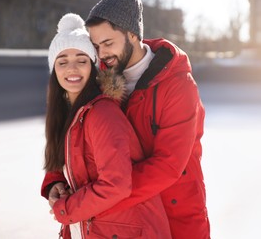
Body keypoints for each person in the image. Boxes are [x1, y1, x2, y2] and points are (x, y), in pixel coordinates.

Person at [84, 0, 210, 239]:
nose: (101, 54)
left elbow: (168, 164)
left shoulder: (177, 84)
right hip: (123, 221)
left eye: (107, 43)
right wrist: (55, 179)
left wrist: (98, 201)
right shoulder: (97, 82)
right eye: (96, 45)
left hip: (177, 216)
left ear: (132, 35)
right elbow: (72, 132)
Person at [40, 12, 171, 239]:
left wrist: (66, 208)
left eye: (81, 60)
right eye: (62, 62)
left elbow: (116, 185)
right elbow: (67, 165)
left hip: (129, 231)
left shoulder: (101, 113)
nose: (72, 69)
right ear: (54, 70)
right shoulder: (67, 114)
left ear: (93, 67)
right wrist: (55, 183)